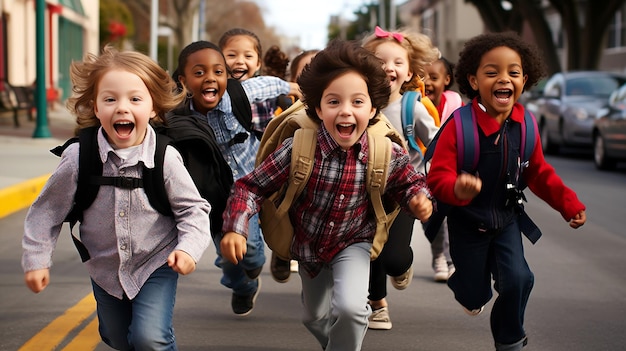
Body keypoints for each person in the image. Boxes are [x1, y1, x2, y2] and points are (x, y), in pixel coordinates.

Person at [220, 39, 433, 351]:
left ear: (373, 108)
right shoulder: (299, 148)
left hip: (355, 240)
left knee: (351, 309)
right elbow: (250, 187)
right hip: (308, 245)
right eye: (334, 102)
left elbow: (409, 182)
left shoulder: (385, 151)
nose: (345, 111)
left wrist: (418, 198)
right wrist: (236, 227)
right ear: (318, 108)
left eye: (357, 102)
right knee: (313, 316)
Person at [21, 45, 212, 350]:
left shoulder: (165, 158)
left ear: (153, 108)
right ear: (96, 108)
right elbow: (46, 212)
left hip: (156, 262)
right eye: (110, 99)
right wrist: (36, 260)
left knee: (150, 338)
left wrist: (189, 249)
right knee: (117, 338)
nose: (122, 108)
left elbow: (193, 210)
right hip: (105, 268)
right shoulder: (78, 157)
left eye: (135, 99)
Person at [426, 32, 587, 351]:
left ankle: (509, 339)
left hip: (507, 219)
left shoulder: (525, 123)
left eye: (513, 72)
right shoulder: (460, 126)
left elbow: (538, 171)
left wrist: (568, 203)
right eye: (492, 72)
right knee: (474, 295)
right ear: (473, 80)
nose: (504, 79)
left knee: (520, 280)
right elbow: (437, 177)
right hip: (467, 222)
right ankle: (467, 287)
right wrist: (457, 187)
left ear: (525, 80)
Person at [170, 40, 292, 316]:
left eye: (218, 71)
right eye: (199, 73)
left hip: (250, 191)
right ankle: (242, 287)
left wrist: (293, 88)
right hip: (213, 199)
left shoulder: (238, 95)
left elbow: (268, 86)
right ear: (184, 80)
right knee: (228, 259)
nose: (210, 78)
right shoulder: (177, 116)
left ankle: (251, 268)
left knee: (251, 255)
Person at [361, 25, 440, 330]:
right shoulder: (359, 102)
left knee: (393, 258)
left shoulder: (413, 108)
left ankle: (401, 266)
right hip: (364, 190)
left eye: (397, 62)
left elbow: (436, 145)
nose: (388, 68)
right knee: (369, 248)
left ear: (409, 73)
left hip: (404, 193)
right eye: (380, 61)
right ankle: (378, 303)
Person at [269, 48, 320, 283]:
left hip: (323, 183)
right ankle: (282, 248)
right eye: (306, 73)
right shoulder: (285, 109)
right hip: (291, 177)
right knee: (287, 211)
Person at [423, 55, 465, 282]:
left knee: (448, 216)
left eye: (434, 77)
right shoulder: (415, 103)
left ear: (446, 80)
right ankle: (438, 252)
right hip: (421, 172)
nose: (427, 82)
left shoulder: (455, 104)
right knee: (430, 218)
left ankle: (449, 259)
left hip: (447, 170)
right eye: (423, 76)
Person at [219, 28, 300, 133]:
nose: (240, 61)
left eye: (248, 56)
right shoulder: (217, 92)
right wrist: (286, 87)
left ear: (258, 64)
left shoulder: (271, 96)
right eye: (231, 55)